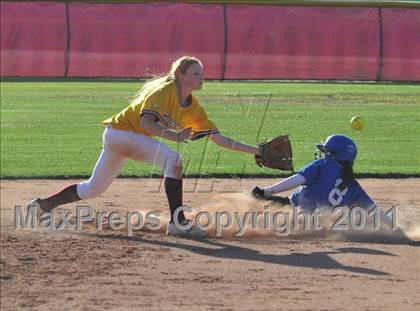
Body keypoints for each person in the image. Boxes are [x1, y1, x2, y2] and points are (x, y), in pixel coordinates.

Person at [28, 56, 261, 238]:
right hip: (120, 133)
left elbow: (219, 139)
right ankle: (179, 223)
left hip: (124, 139)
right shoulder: (165, 91)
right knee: (174, 160)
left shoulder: (193, 108)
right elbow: (145, 123)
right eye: (196, 73)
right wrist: (174, 135)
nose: (202, 77)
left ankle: (41, 205)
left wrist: (257, 151)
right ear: (181, 75)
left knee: (92, 189)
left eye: (202, 73)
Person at [251, 134, 397, 231]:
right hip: (316, 224)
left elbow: (296, 180)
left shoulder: (324, 164)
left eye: (327, 151)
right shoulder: (353, 185)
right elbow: (374, 210)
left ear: (334, 154)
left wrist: (266, 191)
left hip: (293, 210)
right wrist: (395, 228)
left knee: (253, 198)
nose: (324, 153)